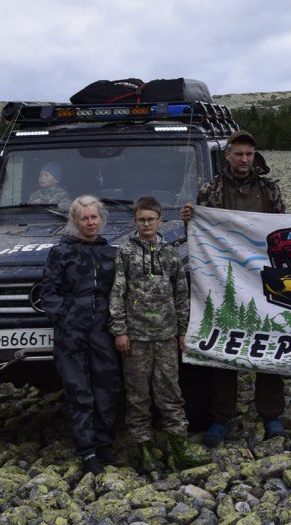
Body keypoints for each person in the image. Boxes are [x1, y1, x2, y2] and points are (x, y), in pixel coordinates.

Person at [181, 130, 288, 446]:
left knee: (269, 341)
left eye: (249, 154)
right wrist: (191, 219)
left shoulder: (269, 190)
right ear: (226, 154)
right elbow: (199, 238)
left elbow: (283, 229)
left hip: (265, 280)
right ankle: (222, 416)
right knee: (225, 346)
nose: (244, 160)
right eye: (239, 154)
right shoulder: (210, 191)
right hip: (223, 281)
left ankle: (271, 414)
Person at [109, 196, 206, 474]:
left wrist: (182, 330)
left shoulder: (171, 253)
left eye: (152, 219)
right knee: (138, 396)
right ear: (135, 221)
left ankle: (180, 447)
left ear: (160, 221)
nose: (147, 223)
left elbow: (183, 293)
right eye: (142, 219)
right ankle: (145, 450)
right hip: (136, 337)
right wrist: (120, 330)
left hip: (165, 335)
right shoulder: (125, 253)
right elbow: (117, 292)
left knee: (171, 394)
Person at [41, 195, 122, 475]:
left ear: (101, 219)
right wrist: (66, 316)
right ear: (75, 221)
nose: (90, 223)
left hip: (103, 328)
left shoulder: (110, 253)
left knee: (107, 386)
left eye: (94, 217)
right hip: (71, 331)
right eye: (84, 218)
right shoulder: (61, 253)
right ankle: (87, 451)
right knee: (79, 389)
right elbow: (47, 293)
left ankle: (104, 444)